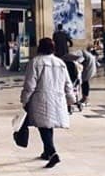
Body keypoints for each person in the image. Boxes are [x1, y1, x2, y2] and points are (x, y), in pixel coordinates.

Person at [20, 37, 75, 169]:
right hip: (57, 99)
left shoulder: (35, 62)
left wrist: (24, 99)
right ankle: (46, 152)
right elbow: (68, 84)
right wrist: (71, 99)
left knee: (44, 126)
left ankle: (52, 153)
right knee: (47, 125)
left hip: (41, 98)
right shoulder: (60, 63)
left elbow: (30, 84)